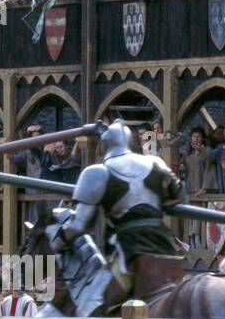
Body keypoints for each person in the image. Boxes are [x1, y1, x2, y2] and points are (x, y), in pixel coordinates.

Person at [51, 119, 184, 309]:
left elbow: (79, 226)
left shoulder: (97, 172)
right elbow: (180, 194)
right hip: (165, 245)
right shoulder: (156, 162)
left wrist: (59, 239)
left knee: (96, 303)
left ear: (103, 144)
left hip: (130, 249)